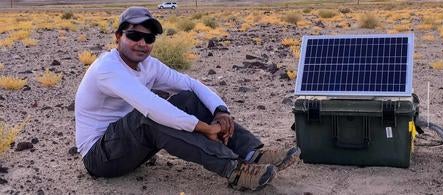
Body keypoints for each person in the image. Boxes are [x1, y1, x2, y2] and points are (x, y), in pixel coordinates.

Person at [75, 6, 300, 191]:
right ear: (118, 37)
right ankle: (236, 170)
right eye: (134, 36)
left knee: (187, 99)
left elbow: (191, 84)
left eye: (149, 37)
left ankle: (253, 153)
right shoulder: (108, 68)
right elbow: (152, 108)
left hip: (128, 146)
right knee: (151, 116)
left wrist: (221, 112)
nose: (142, 43)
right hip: (101, 157)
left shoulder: (148, 65)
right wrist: (204, 128)